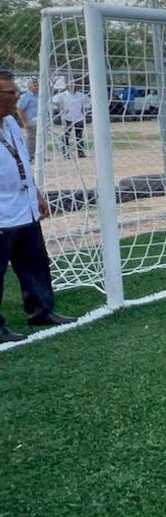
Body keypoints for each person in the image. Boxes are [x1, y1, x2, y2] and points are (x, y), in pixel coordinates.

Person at [0, 70, 77, 343]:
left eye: (16, 91)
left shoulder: (11, 123)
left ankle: (41, 311)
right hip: (2, 215)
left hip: (25, 208)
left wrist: (37, 194)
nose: (17, 97)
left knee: (35, 265)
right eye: (11, 92)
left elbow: (21, 160)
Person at [53, 81, 88, 159]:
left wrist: (85, 110)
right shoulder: (62, 95)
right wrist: (60, 109)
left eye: (74, 85)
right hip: (67, 118)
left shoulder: (81, 95)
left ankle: (81, 152)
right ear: (67, 86)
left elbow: (88, 103)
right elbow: (52, 102)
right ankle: (66, 153)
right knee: (66, 135)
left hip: (79, 118)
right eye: (70, 85)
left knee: (79, 136)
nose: (72, 86)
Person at [17, 78, 38, 163]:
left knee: (40, 140)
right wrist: (25, 122)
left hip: (40, 123)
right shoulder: (25, 97)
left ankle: (39, 157)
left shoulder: (40, 96)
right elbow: (20, 110)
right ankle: (29, 157)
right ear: (29, 86)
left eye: (38, 85)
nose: (37, 87)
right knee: (31, 140)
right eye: (34, 85)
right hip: (30, 122)